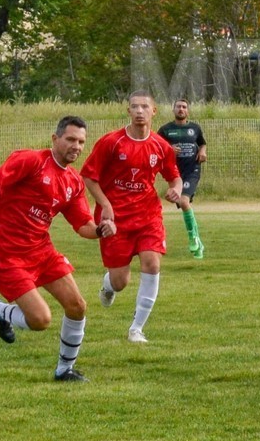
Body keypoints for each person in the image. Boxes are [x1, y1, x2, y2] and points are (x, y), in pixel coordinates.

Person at [0, 116, 116, 382]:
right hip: (7, 255)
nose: (76, 146)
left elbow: (82, 225)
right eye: (70, 139)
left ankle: (65, 370)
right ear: (55, 139)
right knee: (41, 320)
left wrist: (101, 229)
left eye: (81, 142)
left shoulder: (73, 182)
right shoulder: (32, 161)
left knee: (77, 306)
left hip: (42, 251)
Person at [81, 91, 182, 343]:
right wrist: (104, 204)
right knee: (120, 281)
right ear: (128, 111)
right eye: (134, 107)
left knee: (152, 264)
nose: (139, 111)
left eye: (144, 107)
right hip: (114, 221)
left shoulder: (161, 146)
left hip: (148, 216)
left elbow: (174, 176)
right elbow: (89, 177)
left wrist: (176, 190)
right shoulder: (111, 142)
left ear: (154, 111)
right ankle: (108, 285)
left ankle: (136, 329)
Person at [158, 98, 208, 259]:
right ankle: (197, 240)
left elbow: (202, 143)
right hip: (174, 174)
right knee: (179, 201)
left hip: (192, 170)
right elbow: (156, 147)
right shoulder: (165, 130)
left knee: (184, 202)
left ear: (188, 111)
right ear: (173, 110)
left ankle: (194, 239)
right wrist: (168, 149)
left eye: (184, 107)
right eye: (178, 106)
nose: (181, 109)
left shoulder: (194, 128)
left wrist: (202, 151)